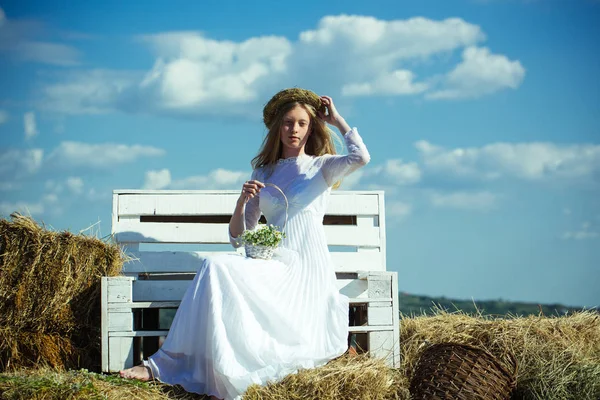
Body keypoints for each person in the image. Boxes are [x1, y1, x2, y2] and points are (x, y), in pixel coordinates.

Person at [120, 88, 370, 400]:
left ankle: (196, 368)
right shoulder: (263, 171)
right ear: (277, 127)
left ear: (311, 128)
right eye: (288, 123)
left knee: (218, 268)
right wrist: (242, 202)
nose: (294, 129)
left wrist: (337, 120)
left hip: (307, 267)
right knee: (214, 265)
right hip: (274, 262)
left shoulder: (322, 166)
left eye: (302, 123)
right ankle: (165, 365)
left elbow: (361, 157)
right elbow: (239, 238)